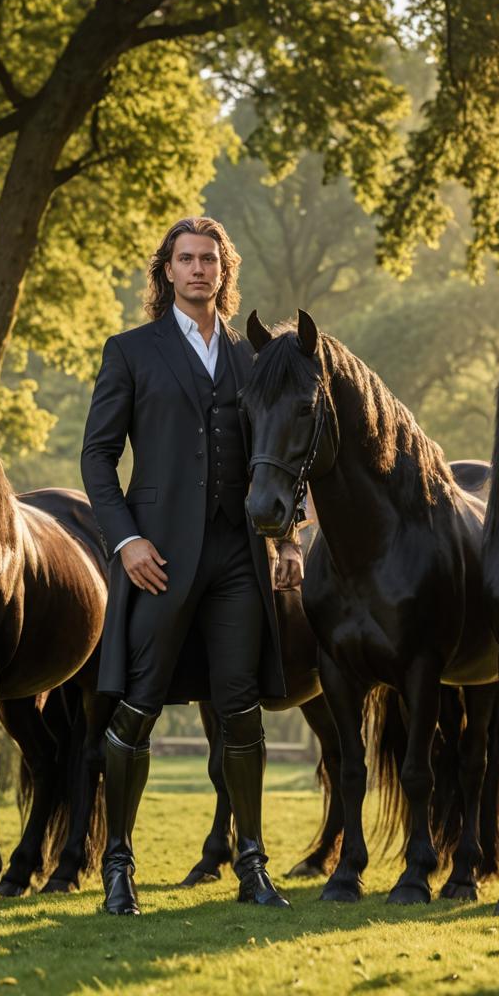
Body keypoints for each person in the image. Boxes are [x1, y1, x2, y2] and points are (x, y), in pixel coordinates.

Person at [81, 216, 293, 915]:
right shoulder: (131, 351)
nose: (199, 269)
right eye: (187, 259)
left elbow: (277, 453)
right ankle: (118, 867)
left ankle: (253, 866)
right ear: (166, 271)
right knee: (136, 709)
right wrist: (125, 541)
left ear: (224, 272)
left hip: (238, 557)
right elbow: (97, 458)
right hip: (158, 559)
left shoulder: (248, 359)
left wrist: (287, 538)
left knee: (240, 711)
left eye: (210, 259)